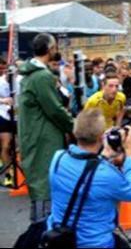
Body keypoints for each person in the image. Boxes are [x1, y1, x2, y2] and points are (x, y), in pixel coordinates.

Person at [48, 109, 131, 248]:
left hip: (60, 240)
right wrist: (129, 152)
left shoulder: (58, 158)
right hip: (96, 243)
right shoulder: (106, 173)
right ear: (101, 137)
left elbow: (83, 172)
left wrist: (103, 156)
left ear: (75, 132)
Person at [18, 34, 74, 224]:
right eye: (55, 47)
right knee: (44, 185)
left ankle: (40, 229)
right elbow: (55, 110)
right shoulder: (41, 76)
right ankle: (43, 232)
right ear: (50, 49)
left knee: (42, 185)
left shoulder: (32, 74)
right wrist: (77, 128)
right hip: (43, 137)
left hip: (37, 135)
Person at [0, 59, 15, 187]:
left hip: (17, 117)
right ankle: (9, 175)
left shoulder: (17, 79)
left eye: (4, 68)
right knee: (6, 146)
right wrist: (3, 100)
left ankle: (18, 173)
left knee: (15, 147)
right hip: (3, 116)